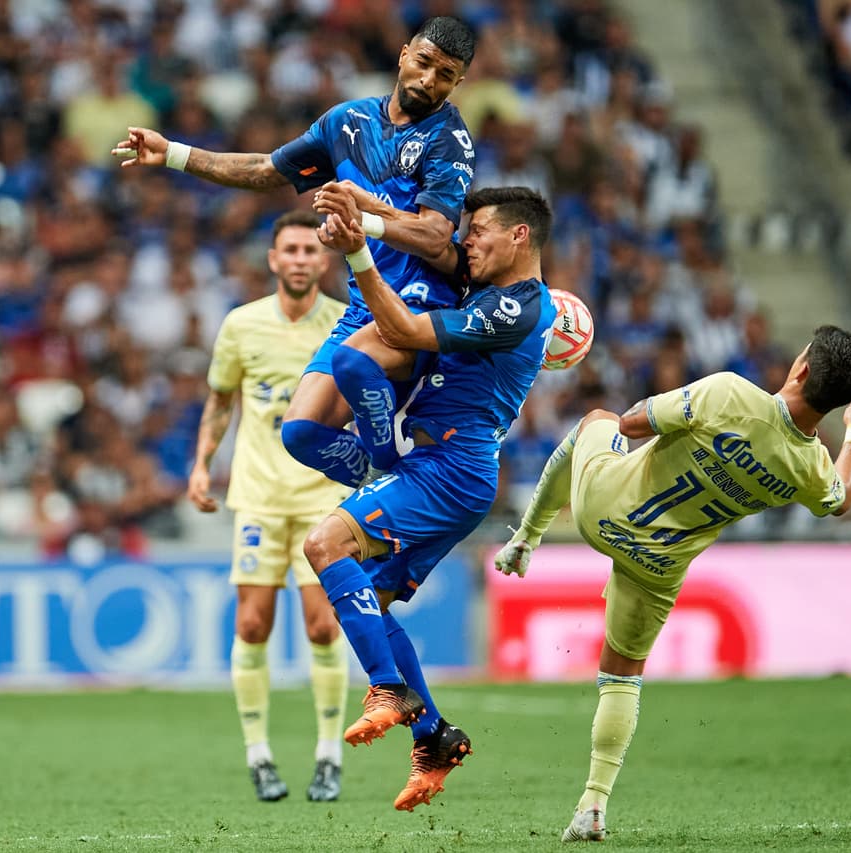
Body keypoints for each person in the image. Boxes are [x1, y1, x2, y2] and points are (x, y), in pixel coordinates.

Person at [493, 326, 851, 842]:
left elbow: (631, 422)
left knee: (597, 420)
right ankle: (593, 805)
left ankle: (525, 537)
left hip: (604, 510)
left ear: (801, 368)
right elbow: (841, 496)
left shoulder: (730, 394)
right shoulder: (808, 467)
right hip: (658, 562)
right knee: (622, 672)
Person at [113, 16, 478, 486]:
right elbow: (267, 170)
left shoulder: (449, 140)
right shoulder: (347, 121)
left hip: (419, 308)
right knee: (301, 433)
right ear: (405, 53)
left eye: (445, 75)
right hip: (364, 306)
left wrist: (363, 217)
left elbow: (434, 236)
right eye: (424, 63)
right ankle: (390, 480)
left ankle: (393, 473)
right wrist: (175, 154)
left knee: (353, 362)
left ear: (458, 82)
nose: (429, 80)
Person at [305, 187, 557, 812]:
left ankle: (387, 689)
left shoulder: (517, 309)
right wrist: (366, 205)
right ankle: (434, 735)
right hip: (446, 466)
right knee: (368, 601)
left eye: (480, 232)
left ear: (519, 236)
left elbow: (405, 328)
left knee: (324, 544)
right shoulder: (492, 295)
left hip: (449, 466)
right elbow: (424, 237)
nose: (466, 242)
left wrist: (361, 254)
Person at [186, 211, 352, 803]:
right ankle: (258, 755)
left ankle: (328, 756)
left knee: (322, 626)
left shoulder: (347, 322)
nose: (302, 258)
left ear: (324, 260)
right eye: (292, 249)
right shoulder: (241, 326)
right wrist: (202, 463)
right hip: (258, 497)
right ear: (274, 259)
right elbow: (219, 400)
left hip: (322, 499)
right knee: (252, 625)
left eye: (312, 249)